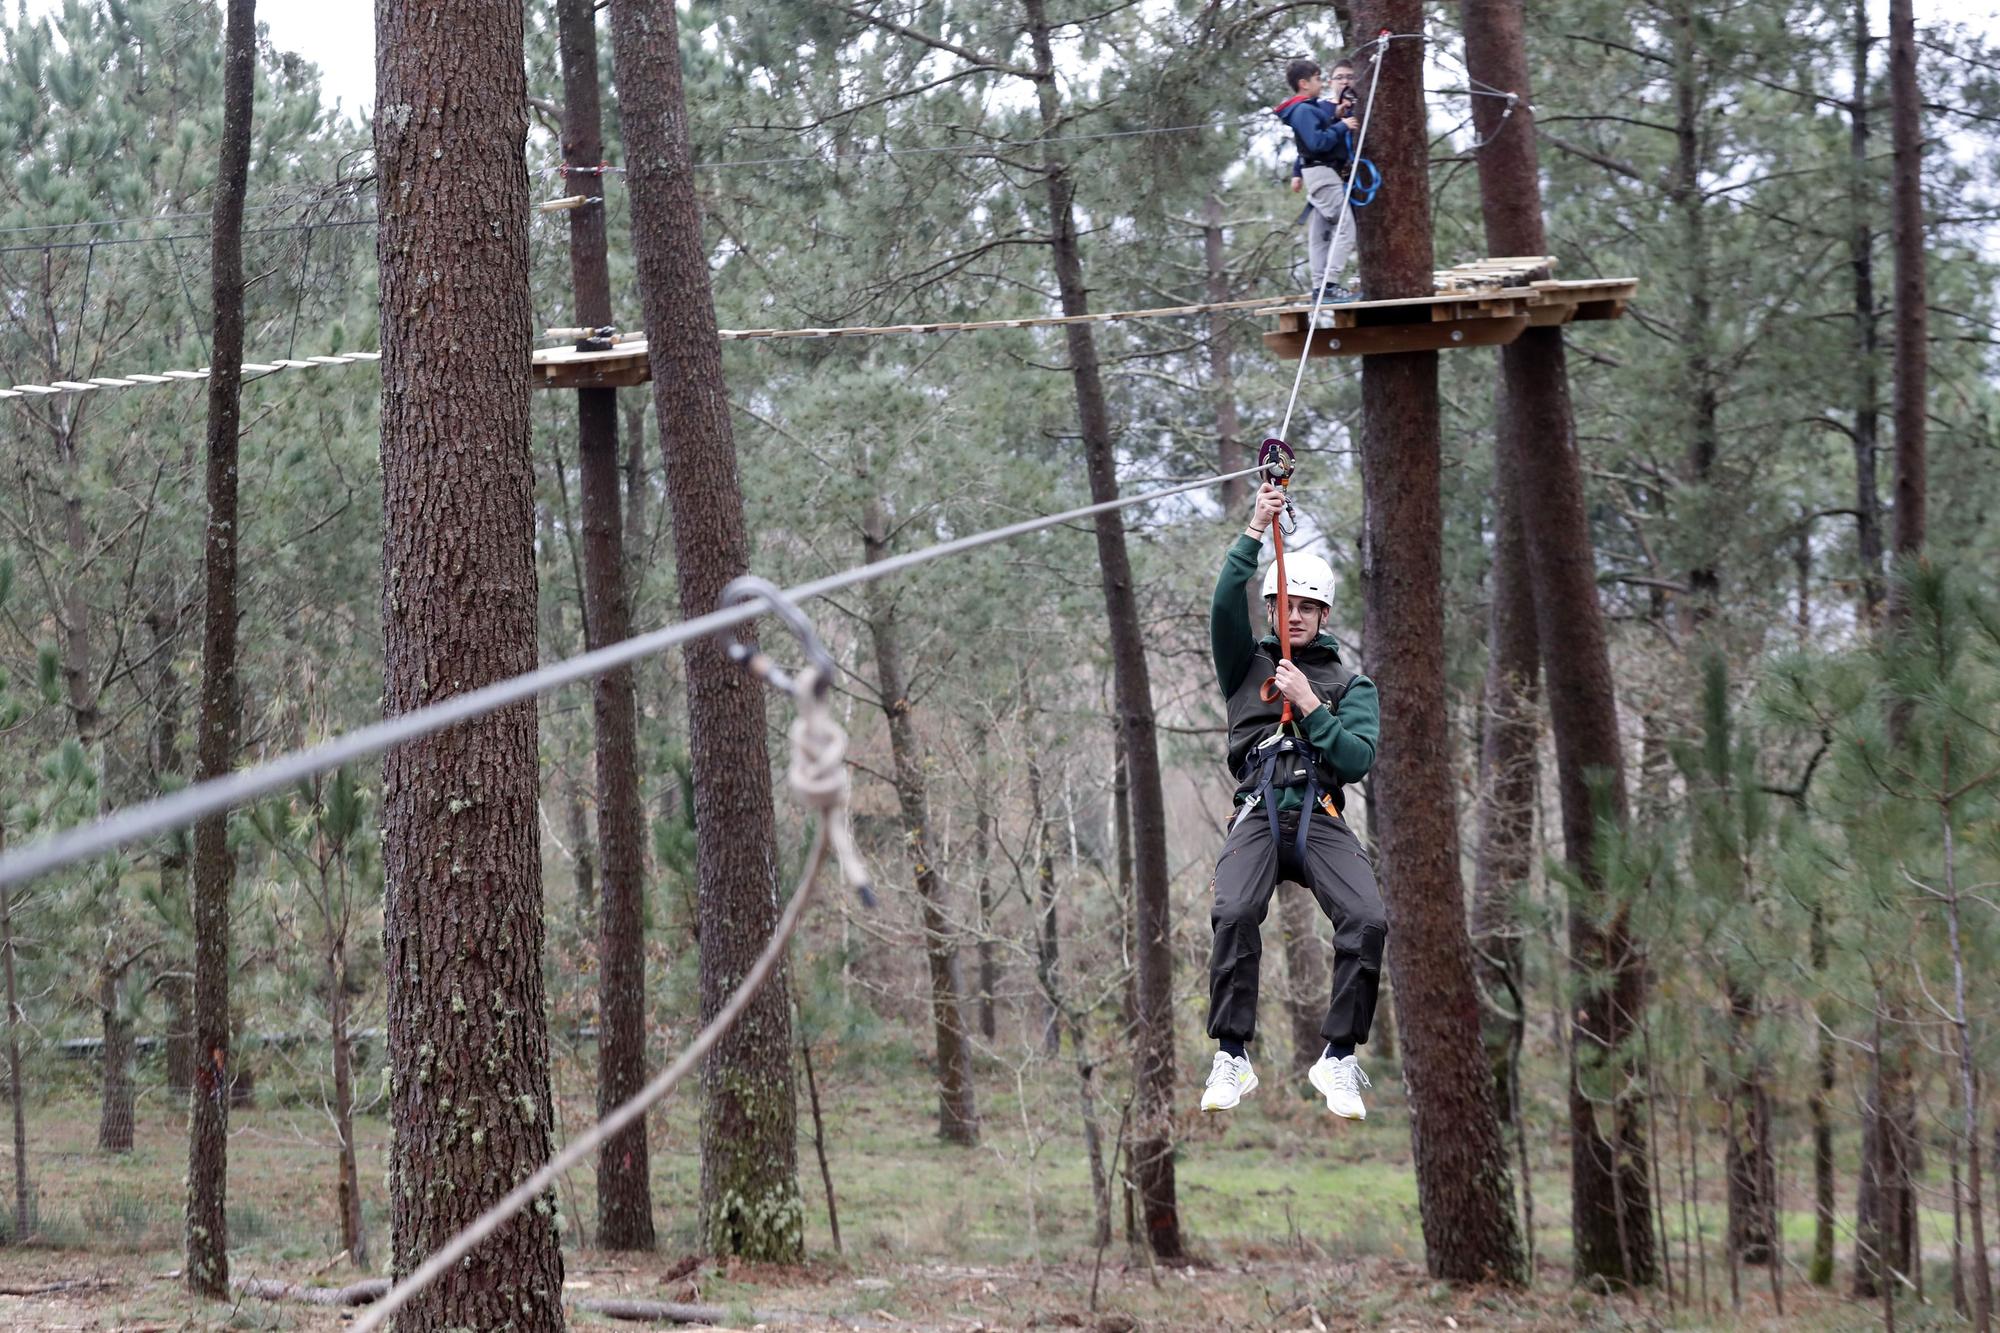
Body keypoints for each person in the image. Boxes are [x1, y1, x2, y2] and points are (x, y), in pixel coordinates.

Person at [1200, 482, 1386, 1120]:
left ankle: (1337, 1056)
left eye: (1308, 607)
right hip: (1258, 806)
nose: (1296, 616)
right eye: (1284, 605)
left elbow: (1357, 760)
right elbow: (1226, 602)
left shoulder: (1350, 684)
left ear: (1324, 616)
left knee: (1367, 920)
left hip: (1319, 813)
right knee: (1233, 910)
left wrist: (1309, 704)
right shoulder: (1245, 666)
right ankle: (1232, 1054)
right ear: (1272, 609)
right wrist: (1255, 528)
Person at [1276, 57, 1362, 304]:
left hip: (1319, 174)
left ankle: (1319, 287)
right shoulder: (1303, 110)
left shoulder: (1306, 108)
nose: (1321, 82)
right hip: (1323, 174)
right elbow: (1316, 143)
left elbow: (1315, 133)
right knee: (1346, 227)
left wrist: (1335, 117)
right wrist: (1342, 126)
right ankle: (1330, 285)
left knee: (1320, 233)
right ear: (1303, 83)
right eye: (1317, 78)